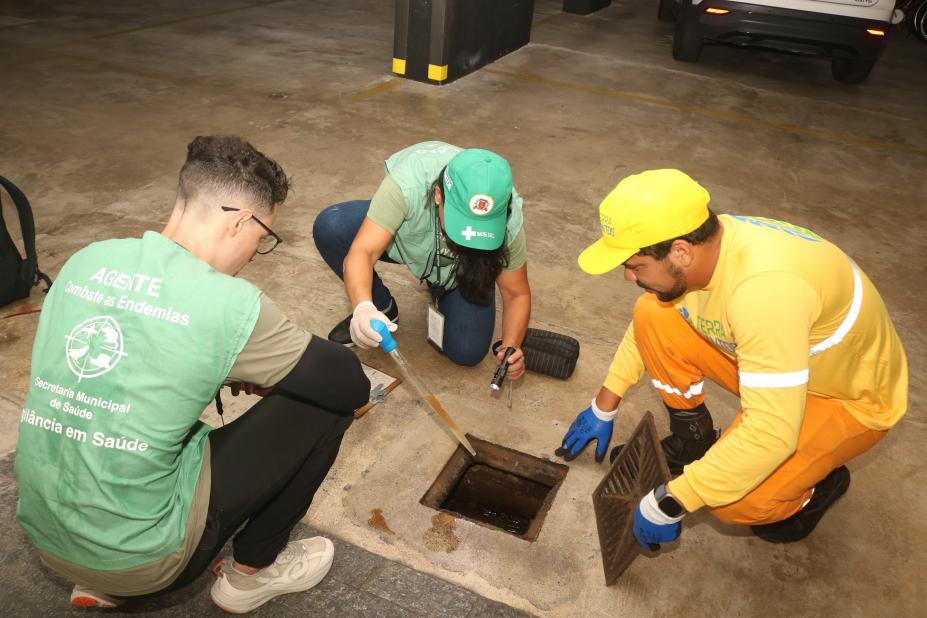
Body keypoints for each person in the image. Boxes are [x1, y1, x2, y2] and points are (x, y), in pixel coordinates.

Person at [14, 136, 371, 613]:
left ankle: (94, 579)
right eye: (262, 239)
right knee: (323, 403)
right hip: (144, 561)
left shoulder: (86, 260)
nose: (252, 255)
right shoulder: (226, 303)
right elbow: (348, 380)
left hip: (48, 540)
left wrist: (221, 368)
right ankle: (252, 576)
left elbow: (118, 365)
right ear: (241, 220)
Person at [557, 169, 907, 548]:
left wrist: (673, 500)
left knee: (736, 502)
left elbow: (771, 431)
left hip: (845, 396)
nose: (627, 276)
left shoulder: (764, 292)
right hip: (783, 360)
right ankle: (694, 440)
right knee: (653, 311)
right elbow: (650, 324)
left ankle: (819, 484)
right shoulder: (709, 245)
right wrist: (605, 404)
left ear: (680, 251)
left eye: (635, 265)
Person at [312, 141, 531, 379]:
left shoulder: (507, 215)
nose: (469, 236)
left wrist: (511, 348)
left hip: (465, 270)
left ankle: (447, 291)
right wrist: (363, 307)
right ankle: (382, 306)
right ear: (438, 194)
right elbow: (362, 251)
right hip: (405, 240)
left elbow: (516, 293)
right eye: (463, 224)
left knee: (466, 351)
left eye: (483, 230)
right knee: (331, 227)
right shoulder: (409, 182)